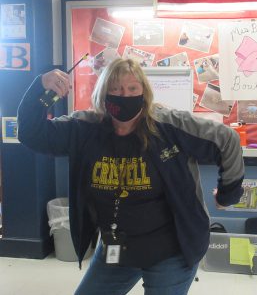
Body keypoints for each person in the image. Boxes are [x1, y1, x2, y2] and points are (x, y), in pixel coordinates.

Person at [17, 58, 244, 295]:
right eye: (115, 89)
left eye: (132, 89)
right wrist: (40, 87)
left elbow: (226, 139)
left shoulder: (170, 125)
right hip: (117, 247)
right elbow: (31, 133)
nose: (124, 96)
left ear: (144, 93)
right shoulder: (85, 128)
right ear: (103, 93)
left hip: (172, 248)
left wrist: (229, 193)